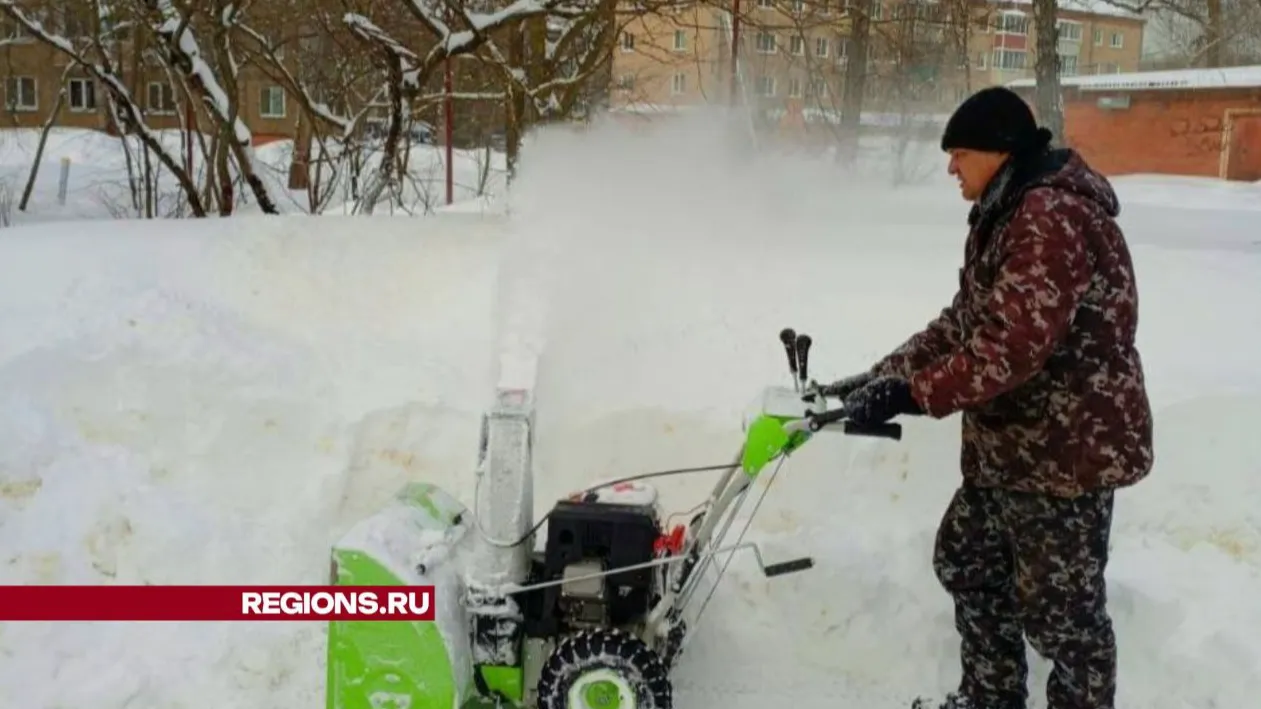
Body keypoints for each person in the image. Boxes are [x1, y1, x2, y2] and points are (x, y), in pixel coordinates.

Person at [821, 87, 1154, 709]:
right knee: (968, 561)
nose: (950, 167)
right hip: (1014, 450)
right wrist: (876, 376)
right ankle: (990, 698)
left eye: (960, 153)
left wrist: (911, 394)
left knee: (1065, 622)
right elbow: (964, 323)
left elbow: (1009, 348)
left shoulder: (1050, 218)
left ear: (998, 152)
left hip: (1064, 457)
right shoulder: (1006, 210)